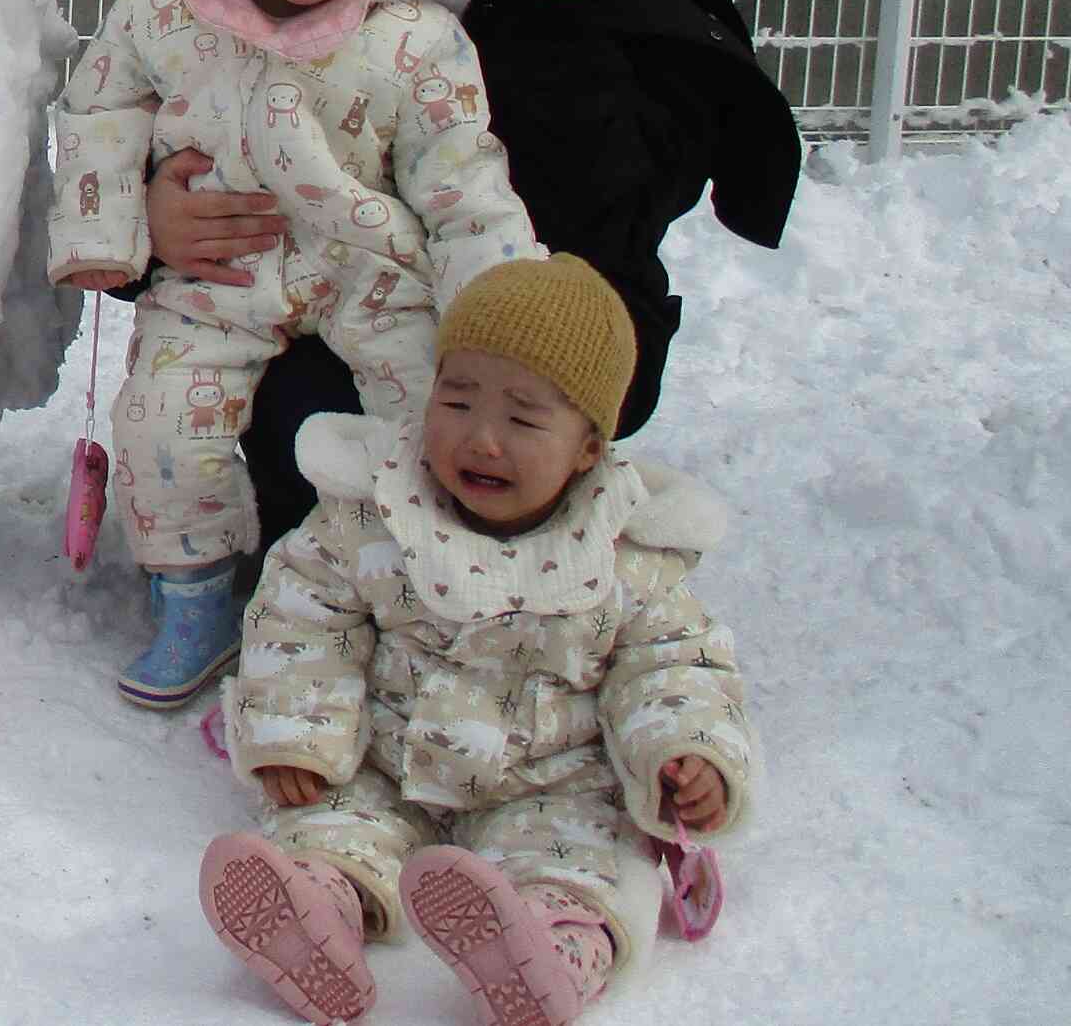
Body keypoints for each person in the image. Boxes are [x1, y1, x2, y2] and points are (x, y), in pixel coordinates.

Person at [148, 0, 801, 548]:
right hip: (337, 298)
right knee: (298, 406)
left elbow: (612, 219)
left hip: (531, 323)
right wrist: (160, 209)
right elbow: (177, 92)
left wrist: (551, 15)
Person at [50, 0, 540, 713]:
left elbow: (464, 175)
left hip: (370, 271)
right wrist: (107, 229)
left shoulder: (415, 38)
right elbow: (100, 110)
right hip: (218, 270)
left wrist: (497, 303)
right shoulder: (167, 13)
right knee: (161, 419)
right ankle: (194, 594)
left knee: (419, 418)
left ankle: (417, 598)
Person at [198, 254, 752, 1026]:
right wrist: (297, 733)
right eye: (456, 402)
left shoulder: (626, 553)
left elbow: (672, 664)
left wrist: (683, 752)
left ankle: (549, 951)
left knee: (587, 860)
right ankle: (316, 910)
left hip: (551, 778)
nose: (482, 440)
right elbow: (301, 613)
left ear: (590, 447)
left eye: (523, 419)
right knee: (332, 823)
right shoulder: (374, 511)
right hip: (387, 758)